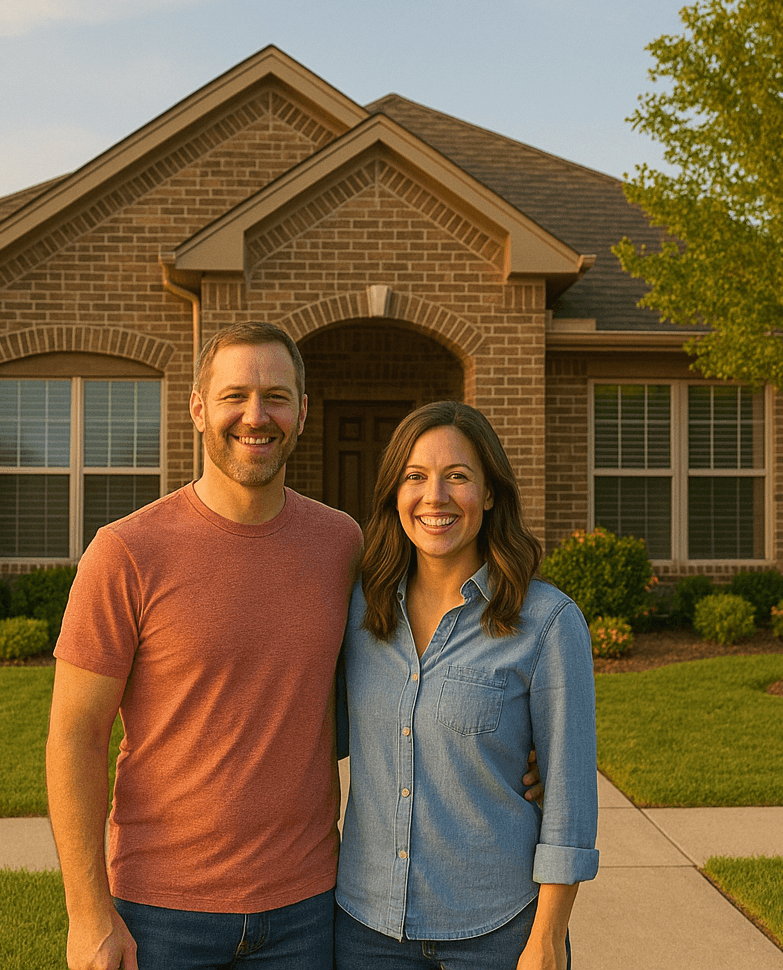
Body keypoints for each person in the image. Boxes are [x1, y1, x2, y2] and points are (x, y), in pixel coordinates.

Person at [45, 322, 364, 970]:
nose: (257, 415)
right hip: (161, 913)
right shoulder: (127, 553)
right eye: (234, 396)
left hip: (306, 908)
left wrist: (508, 747)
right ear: (197, 408)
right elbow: (75, 736)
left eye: (277, 396)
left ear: (302, 412)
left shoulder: (341, 544)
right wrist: (87, 914)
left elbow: (404, 677)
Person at [335, 400, 598, 970]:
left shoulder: (548, 622)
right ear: (394, 495)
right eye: (415, 477)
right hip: (365, 932)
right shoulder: (359, 611)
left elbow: (571, 800)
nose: (436, 497)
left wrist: (548, 939)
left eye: (459, 477)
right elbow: (310, 734)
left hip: (499, 934)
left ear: (491, 493)